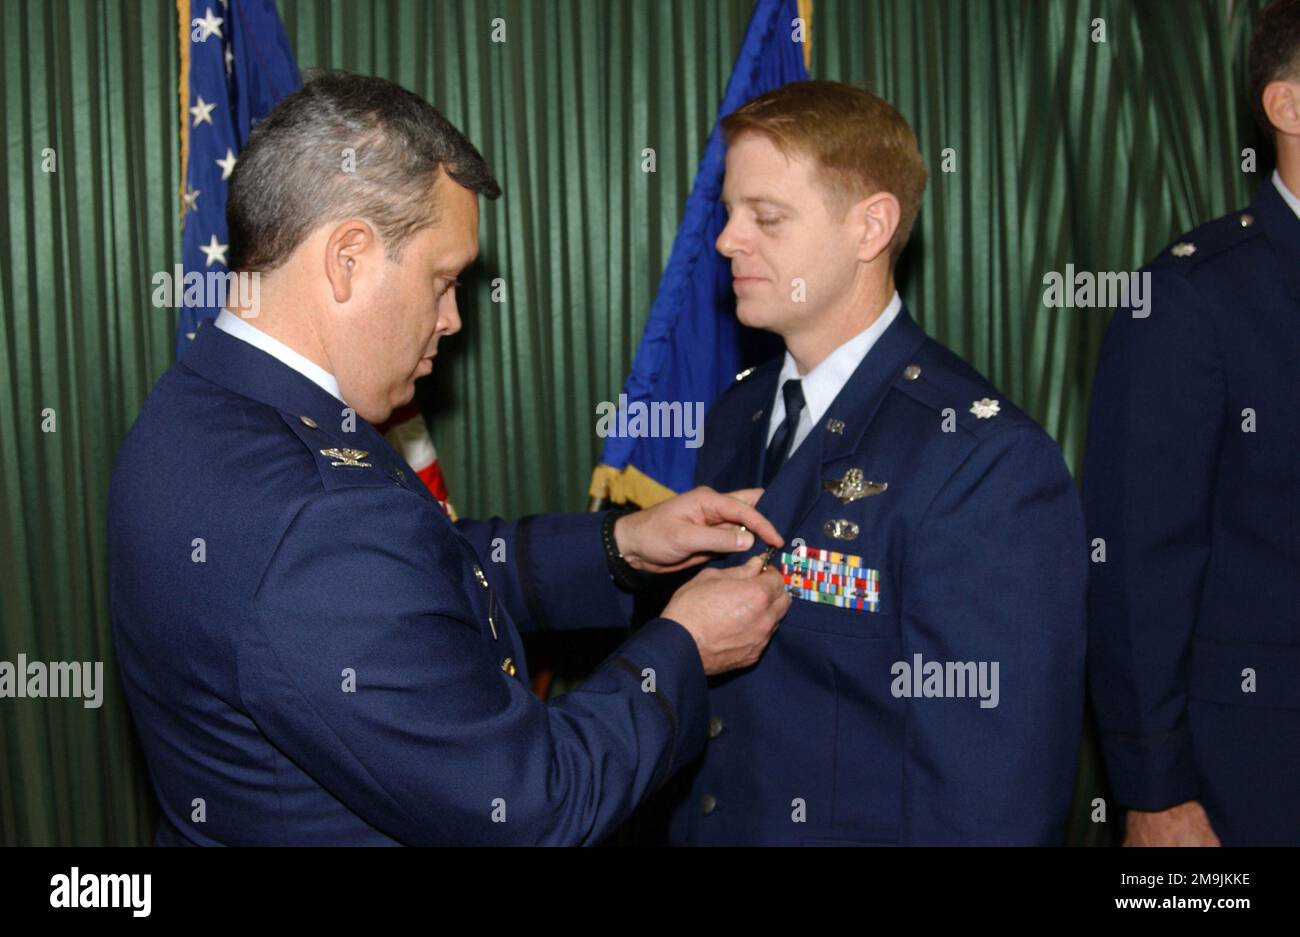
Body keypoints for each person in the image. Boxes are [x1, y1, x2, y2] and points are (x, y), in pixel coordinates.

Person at [107, 70, 791, 846]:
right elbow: (533, 803)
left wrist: (621, 545)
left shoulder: (201, 403)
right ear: (348, 258)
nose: (453, 319)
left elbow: (415, 578)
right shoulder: (314, 514)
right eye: (442, 281)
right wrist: (684, 647)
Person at [645, 80, 1088, 846]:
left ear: (870, 226)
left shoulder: (979, 460)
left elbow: (995, 800)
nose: (725, 241)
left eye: (767, 217)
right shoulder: (738, 414)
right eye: (728, 212)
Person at [1083, 0, 1300, 847]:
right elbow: (1137, 564)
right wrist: (1153, 789)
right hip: (1251, 779)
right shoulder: (1193, 296)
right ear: (1285, 107)